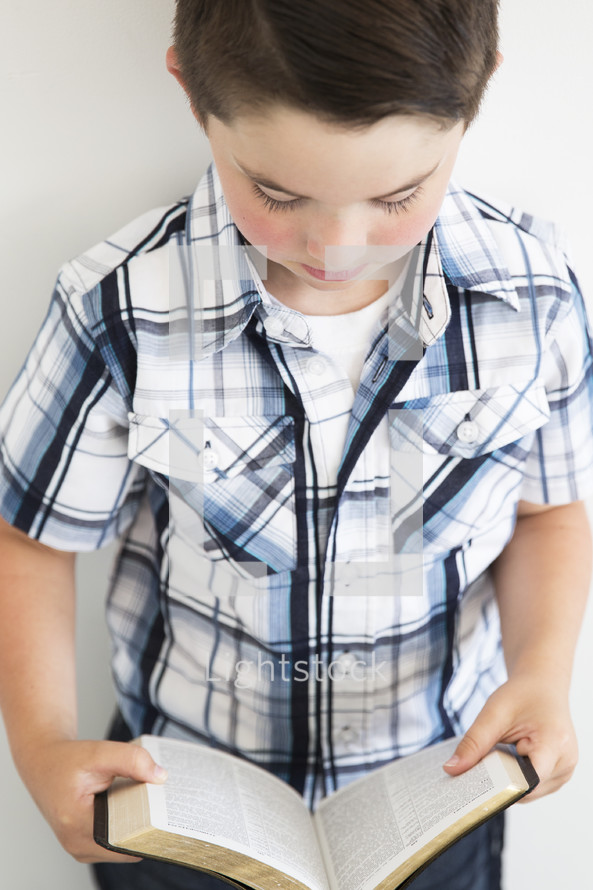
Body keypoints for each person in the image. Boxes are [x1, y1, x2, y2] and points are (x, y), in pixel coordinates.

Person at [0, 1, 592, 889]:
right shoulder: (117, 309)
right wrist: (43, 747)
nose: (336, 247)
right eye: (277, 194)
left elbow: (547, 514)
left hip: (439, 792)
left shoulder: (533, 299)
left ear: (475, 99)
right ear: (193, 96)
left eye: (396, 196)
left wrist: (543, 674)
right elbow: (30, 538)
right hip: (181, 804)